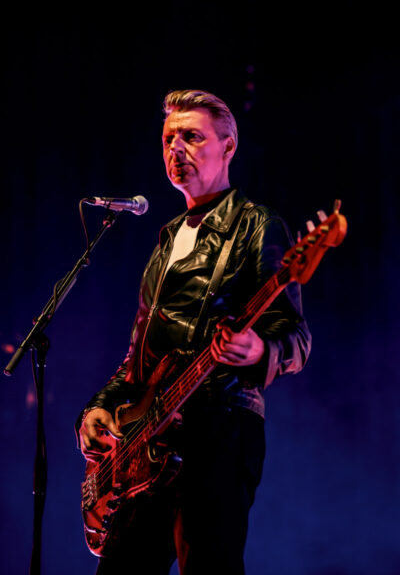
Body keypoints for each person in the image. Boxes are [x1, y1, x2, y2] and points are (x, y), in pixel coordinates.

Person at [77, 89, 312, 575]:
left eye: (191, 137)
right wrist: (99, 406)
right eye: (168, 139)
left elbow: (296, 337)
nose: (176, 149)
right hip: (147, 445)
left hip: (219, 431)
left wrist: (258, 349)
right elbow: (139, 360)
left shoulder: (257, 225)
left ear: (228, 147)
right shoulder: (166, 242)